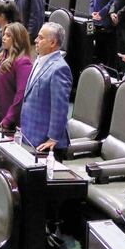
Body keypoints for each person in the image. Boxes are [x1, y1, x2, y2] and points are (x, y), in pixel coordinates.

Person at [19, 22, 73, 152]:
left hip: (45, 142)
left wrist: (53, 138)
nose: (36, 40)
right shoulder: (38, 60)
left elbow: (59, 108)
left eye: (41, 38)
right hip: (29, 133)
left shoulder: (59, 68)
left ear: (52, 43)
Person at [0, 22, 33, 133]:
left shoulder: (23, 62)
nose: (4, 38)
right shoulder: (2, 56)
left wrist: (8, 119)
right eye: (4, 35)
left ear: (17, 39)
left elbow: (21, 95)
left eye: (8, 35)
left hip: (9, 121)